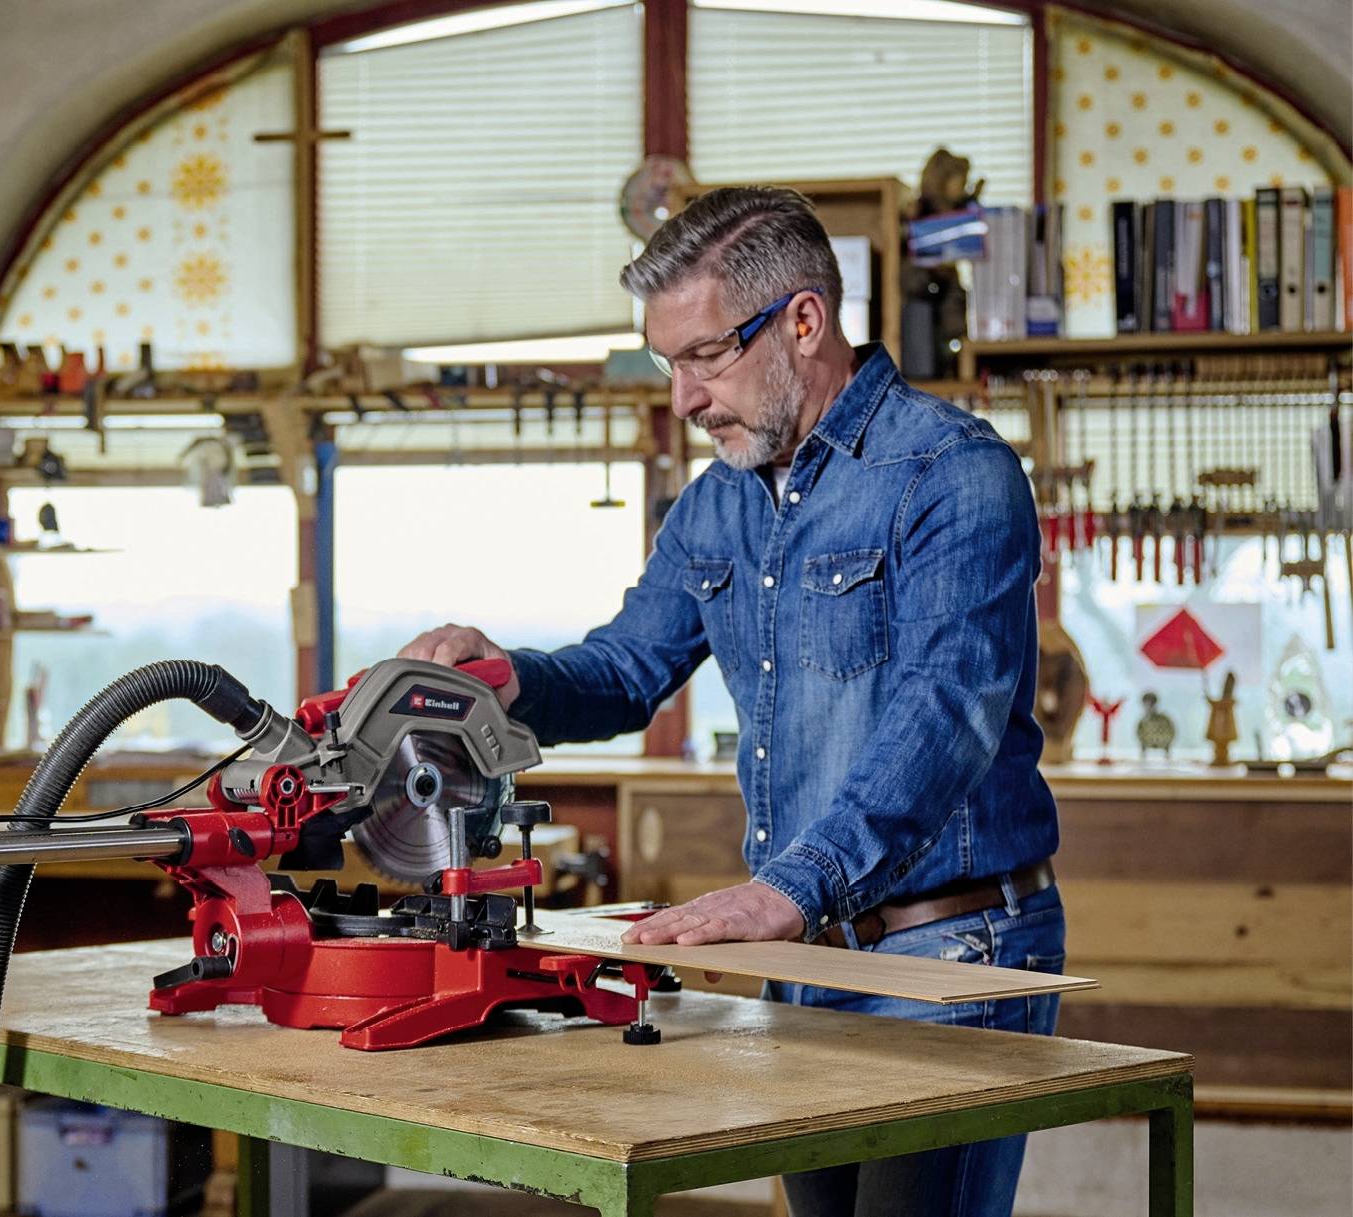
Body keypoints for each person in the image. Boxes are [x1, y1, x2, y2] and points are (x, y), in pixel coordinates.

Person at [398, 186, 1063, 1217]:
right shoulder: (714, 502)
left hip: (949, 951)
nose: (682, 397)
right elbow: (622, 668)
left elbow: (945, 715)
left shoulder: (951, 472)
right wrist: (499, 677)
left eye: (704, 355)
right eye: (667, 362)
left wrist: (786, 884)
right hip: (802, 952)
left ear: (803, 321)